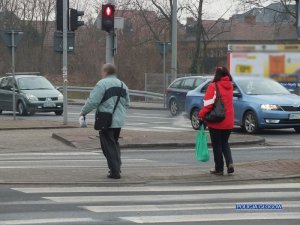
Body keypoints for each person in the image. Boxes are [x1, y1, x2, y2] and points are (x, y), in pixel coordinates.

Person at [80, 63, 130, 179]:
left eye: (102, 71)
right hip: (119, 121)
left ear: (105, 72)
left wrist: (84, 112)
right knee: (114, 143)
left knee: (107, 145)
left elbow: (93, 101)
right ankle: (116, 167)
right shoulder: (123, 85)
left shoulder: (102, 84)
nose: (101, 73)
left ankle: (115, 171)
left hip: (106, 120)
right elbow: (127, 103)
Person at [198, 66, 234, 175]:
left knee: (217, 145)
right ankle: (230, 163)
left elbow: (208, 104)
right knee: (225, 143)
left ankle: (219, 168)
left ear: (217, 75)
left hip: (217, 120)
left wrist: (201, 115)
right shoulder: (230, 86)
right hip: (229, 120)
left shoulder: (213, 86)